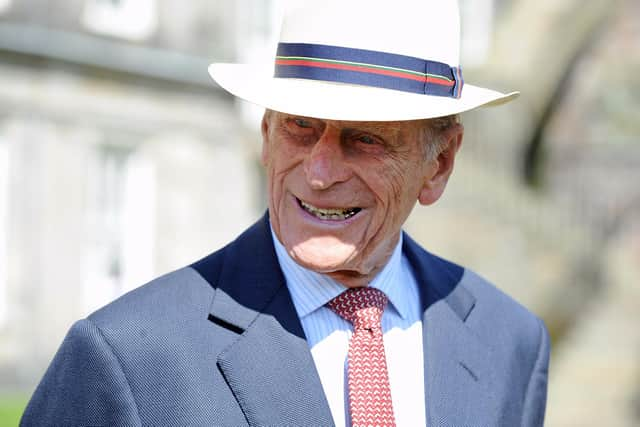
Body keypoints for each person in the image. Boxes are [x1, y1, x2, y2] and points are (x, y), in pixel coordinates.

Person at [21, 0, 549, 426]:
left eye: (364, 138)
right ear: (266, 132)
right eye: (300, 126)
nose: (319, 173)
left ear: (440, 163)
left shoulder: (509, 343)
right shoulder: (130, 357)